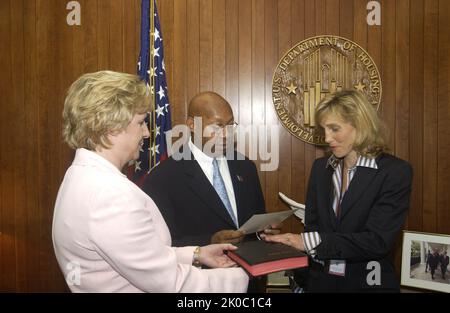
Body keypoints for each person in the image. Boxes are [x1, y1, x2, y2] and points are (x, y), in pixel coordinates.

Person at [52, 71, 248, 293]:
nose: (147, 133)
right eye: (141, 122)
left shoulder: (80, 175)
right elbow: (171, 284)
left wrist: (196, 254)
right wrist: (244, 274)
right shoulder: (109, 196)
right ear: (111, 127)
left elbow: (143, 258)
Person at [262, 90, 413, 292]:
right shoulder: (320, 168)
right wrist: (303, 281)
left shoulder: (394, 172)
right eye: (324, 129)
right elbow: (313, 227)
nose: (327, 138)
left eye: (334, 129)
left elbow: (377, 241)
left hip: (368, 284)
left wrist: (305, 242)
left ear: (360, 125)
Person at [142, 91, 278, 292]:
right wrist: (209, 241)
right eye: (216, 126)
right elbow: (160, 246)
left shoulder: (245, 167)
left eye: (230, 125)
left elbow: (253, 223)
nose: (226, 134)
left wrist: (263, 232)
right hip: (199, 286)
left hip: (249, 284)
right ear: (191, 124)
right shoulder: (163, 177)